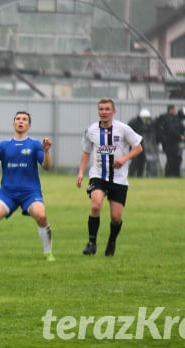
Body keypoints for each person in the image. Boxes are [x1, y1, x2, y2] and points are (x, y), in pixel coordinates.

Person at [0, 111, 55, 261]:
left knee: (41, 216)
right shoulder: (4, 145)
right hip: (7, 192)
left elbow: (47, 166)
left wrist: (46, 152)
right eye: (18, 119)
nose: (21, 121)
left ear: (29, 125)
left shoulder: (35, 144)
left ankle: (48, 253)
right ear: (13, 123)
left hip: (30, 192)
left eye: (24, 119)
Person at [76, 98, 142, 257]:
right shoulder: (91, 130)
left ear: (114, 111)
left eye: (107, 109)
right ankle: (91, 243)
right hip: (97, 176)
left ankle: (112, 241)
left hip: (119, 179)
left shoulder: (123, 129)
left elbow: (138, 148)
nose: (104, 112)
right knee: (96, 205)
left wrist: (124, 159)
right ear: (98, 111)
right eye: (101, 109)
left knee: (115, 217)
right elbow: (86, 153)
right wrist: (80, 173)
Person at [156, 105, 185, 177]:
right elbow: (171, 130)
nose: (174, 111)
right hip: (169, 142)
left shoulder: (173, 118)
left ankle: (175, 174)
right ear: (170, 110)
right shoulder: (168, 118)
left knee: (176, 158)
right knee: (171, 159)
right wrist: (180, 136)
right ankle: (169, 174)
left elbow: (180, 127)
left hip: (172, 142)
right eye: (173, 110)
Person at [127, 109, 153, 178]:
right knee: (135, 161)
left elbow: (150, 133)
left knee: (142, 160)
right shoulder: (134, 123)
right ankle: (131, 175)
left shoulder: (148, 124)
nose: (145, 120)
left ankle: (140, 175)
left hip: (144, 145)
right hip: (134, 145)